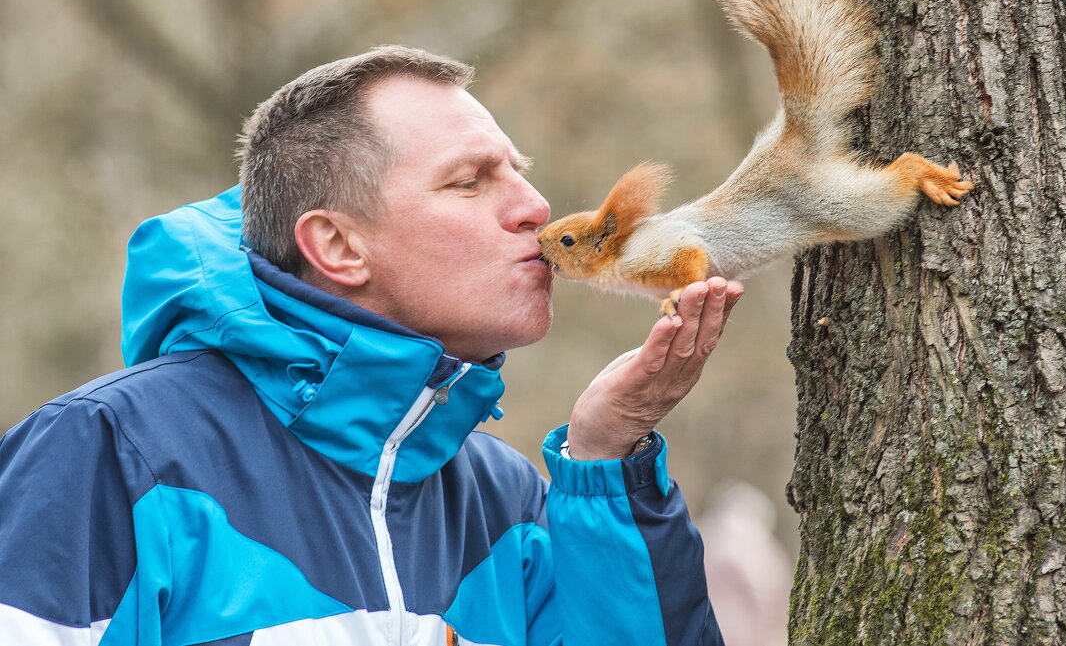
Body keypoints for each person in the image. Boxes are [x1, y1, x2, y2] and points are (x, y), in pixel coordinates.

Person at [0, 45, 742, 645]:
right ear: (336, 245)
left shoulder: (508, 500)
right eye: (469, 182)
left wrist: (606, 458)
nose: (535, 208)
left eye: (520, 171)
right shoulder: (105, 453)